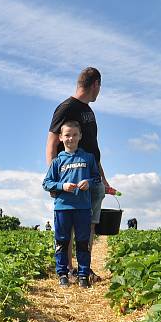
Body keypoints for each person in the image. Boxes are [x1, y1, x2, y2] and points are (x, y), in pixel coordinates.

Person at [45, 67, 109, 281]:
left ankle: (84, 268)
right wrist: (54, 180)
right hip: (70, 179)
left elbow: (93, 148)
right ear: (95, 85)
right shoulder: (66, 107)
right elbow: (52, 143)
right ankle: (70, 269)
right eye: (100, 88)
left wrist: (103, 177)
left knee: (88, 223)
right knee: (69, 227)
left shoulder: (89, 110)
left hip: (91, 175)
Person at [42, 121, 99, 288]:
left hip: (82, 208)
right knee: (61, 241)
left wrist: (88, 182)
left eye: (74, 134)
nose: (71, 138)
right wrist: (62, 186)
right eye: (67, 135)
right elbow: (46, 183)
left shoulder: (88, 158)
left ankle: (83, 275)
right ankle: (62, 274)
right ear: (60, 138)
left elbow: (96, 179)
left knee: (82, 242)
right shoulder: (57, 162)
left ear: (80, 136)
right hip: (62, 208)